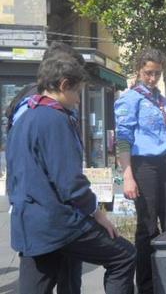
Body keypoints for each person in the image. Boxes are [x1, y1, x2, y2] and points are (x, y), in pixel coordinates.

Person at [6, 53, 136, 294]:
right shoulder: (55, 119)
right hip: (58, 223)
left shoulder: (23, 118)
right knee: (124, 256)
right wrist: (97, 213)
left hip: (29, 224)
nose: (78, 101)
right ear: (64, 85)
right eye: (77, 93)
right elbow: (70, 183)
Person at [5, 41, 87, 294]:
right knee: (39, 278)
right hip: (44, 210)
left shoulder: (51, 105)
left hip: (58, 209)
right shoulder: (36, 107)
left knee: (68, 276)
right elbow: (27, 160)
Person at [114, 48, 166, 294]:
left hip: (165, 164)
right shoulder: (129, 99)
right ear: (138, 70)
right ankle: (147, 286)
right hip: (143, 166)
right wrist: (128, 176)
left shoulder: (163, 101)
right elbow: (123, 140)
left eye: (157, 74)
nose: (152, 78)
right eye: (148, 73)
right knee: (148, 228)